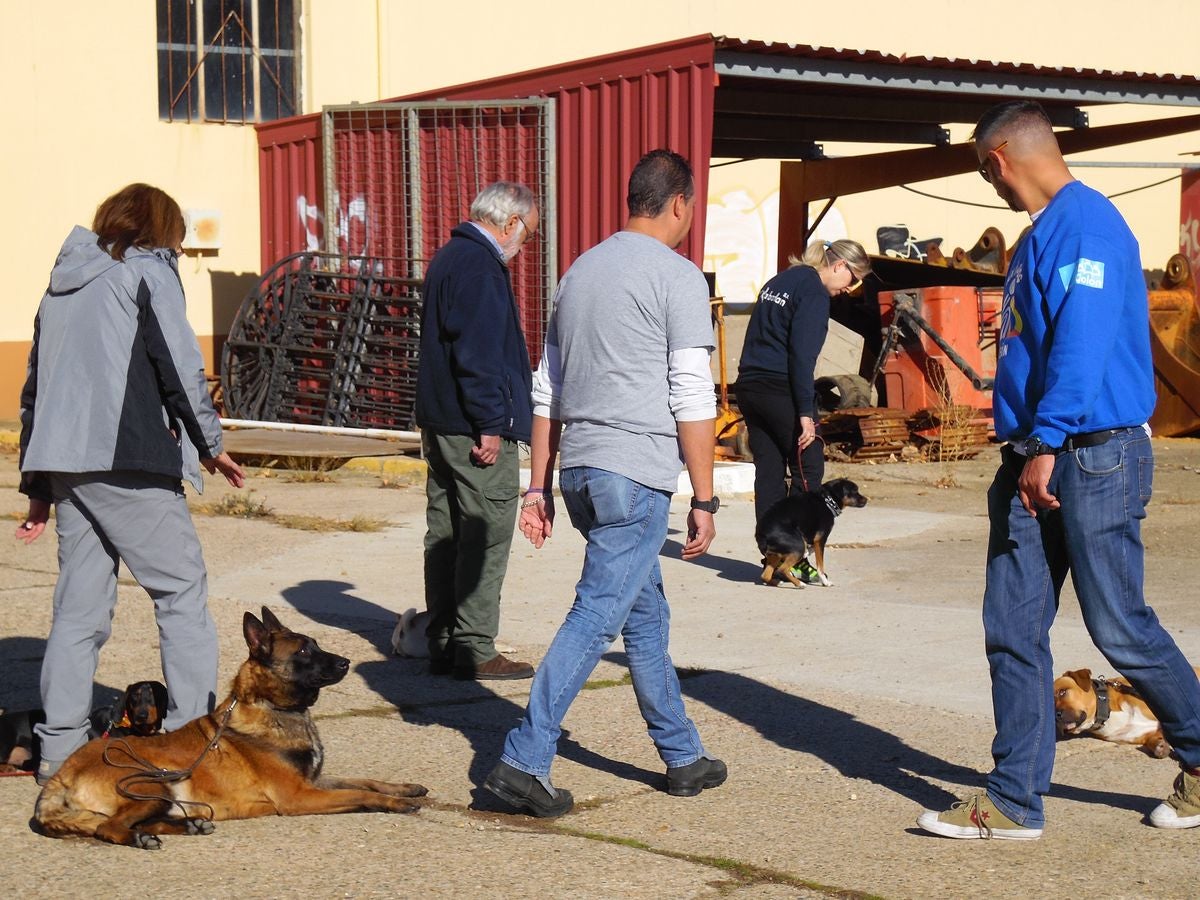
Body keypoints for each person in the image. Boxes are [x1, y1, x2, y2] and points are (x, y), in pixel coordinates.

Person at [917, 100, 1200, 840]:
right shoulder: (1039, 236)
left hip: (1091, 454)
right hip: (1033, 456)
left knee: (1119, 626)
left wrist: (1046, 439)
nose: (991, 187)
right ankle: (1013, 800)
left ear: (998, 159)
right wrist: (1025, 444)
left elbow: (1083, 343)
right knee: (1012, 628)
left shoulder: (1087, 226)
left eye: (985, 173)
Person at [483, 149, 725, 817]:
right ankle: (523, 760)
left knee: (643, 613)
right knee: (595, 616)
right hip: (635, 474)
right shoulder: (677, 278)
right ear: (678, 204)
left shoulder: (579, 272)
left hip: (582, 475)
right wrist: (704, 497)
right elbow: (692, 394)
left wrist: (539, 486)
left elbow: (548, 389)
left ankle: (683, 755)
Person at [15, 183, 246, 785]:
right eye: (178, 237)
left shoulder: (60, 284)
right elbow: (180, 366)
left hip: (67, 466)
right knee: (181, 593)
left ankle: (59, 752)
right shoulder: (146, 272)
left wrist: (37, 484)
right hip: (129, 458)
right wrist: (211, 444)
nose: (180, 248)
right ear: (162, 230)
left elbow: (35, 385)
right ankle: (193, 747)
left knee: (78, 610)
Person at [414, 181, 539, 680]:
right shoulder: (481, 267)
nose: (524, 246)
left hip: (443, 422)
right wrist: (490, 423)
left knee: (446, 532)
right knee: (485, 531)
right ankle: (474, 647)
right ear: (510, 223)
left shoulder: (449, 257)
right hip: (472, 427)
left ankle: (445, 640)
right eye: (528, 235)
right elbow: (479, 352)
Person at [735, 239, 871, 583]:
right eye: (853, 279)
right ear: (839, 265)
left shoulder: (781, 280)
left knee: (768, 471)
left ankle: (772, 551)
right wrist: (806, 413)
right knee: (808, 467)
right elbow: (802, 357)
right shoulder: (813, 292)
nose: (850, 289)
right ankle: (797, 555)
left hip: (750, 386)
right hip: (780, 387)